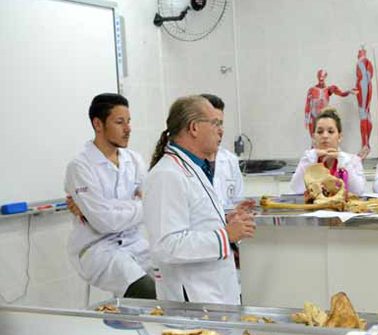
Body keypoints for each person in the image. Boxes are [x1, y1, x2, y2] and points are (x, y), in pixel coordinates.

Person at [144, 95, 256, 304]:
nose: (220, 130)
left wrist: (227, 219)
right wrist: (226, 236)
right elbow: (166, 245)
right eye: (215, 123)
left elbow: (197, 222)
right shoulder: (168, 175)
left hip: (212, 292)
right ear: (194, 128)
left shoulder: (193, 168)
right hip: (192, 299)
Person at [64, 93, 155, 299]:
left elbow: (155, 204)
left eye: (129, 121)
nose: (128, 128)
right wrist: (140, 205)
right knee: (149, 292)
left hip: (135, 243)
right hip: (98, 248)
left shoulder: (135, 160)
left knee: (178, 284)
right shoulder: (80, 166)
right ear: (98, 124)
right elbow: (105, 223)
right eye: (119, 122)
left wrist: (109, 208)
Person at [290, 108, 365, 195]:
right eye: (320, 132)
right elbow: (296, 189)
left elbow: (358, 192)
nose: (325, 136)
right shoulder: (308, 159)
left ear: (340, 137)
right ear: (314, 137)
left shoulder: (352, 160)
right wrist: (310, 159)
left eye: (330, 131)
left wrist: (343, 160)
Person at [199, 94, 245, 211]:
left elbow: (238, 202)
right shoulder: (187, 165)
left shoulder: (230, 161)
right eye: (215, 123)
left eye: (221, 123)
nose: (220, 130)